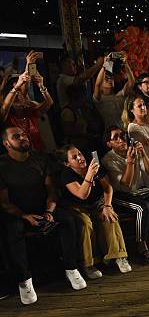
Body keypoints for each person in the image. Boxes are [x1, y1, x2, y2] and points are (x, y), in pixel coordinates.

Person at [0, 126, 86, 305]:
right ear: (6, 143)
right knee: (13, 230)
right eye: (17, 136)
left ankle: (71, 267)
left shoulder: (40, 158)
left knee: (70, 220)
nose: (23, 137)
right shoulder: (2, 165)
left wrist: (49, 211)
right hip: (18, 213)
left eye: (23, 134)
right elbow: (5, 202)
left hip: (43, 208)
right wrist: (25, 216)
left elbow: (51, 190)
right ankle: (24, 280)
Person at [58, 144, 131, 279]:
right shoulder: (67, 175)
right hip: (77, 206)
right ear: (67, 163)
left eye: (79, 153)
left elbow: (108, 188)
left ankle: (119, 256)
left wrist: (108, 206)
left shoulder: (95, 166)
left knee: (110, 217)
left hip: (97, 202)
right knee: (85, 224)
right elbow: (82, 194)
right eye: (74, 157)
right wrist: (89, 175)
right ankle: (88, 263)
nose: (80, 158)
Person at [102, 125, 149, 263]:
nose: (121, 140)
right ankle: (142, 245)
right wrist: (130, 162)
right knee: (143, 207)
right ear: (109, 144)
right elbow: (125, 184)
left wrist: (143, 154)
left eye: (122, 136)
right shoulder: (109, 160)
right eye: (115, 138)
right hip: (119, 195)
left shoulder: (132, 150)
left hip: (137, 192)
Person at [1, 70, 53, 152]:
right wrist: (16, 87)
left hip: (39, 155)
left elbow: (49, 103)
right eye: (14, 92)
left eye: (20, 92)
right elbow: (5, 107)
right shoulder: (6, 116)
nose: (17, 95)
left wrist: (41, 86)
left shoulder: (30, 111)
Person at [93, 52, 135, 131]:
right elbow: (97, 85)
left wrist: (125, 63)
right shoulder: (99, 100)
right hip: (111, 135)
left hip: (124, 131)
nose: (110, 80)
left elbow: (131, 82)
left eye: (111, 78)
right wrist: (104, 65)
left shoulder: (119, 96)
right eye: (106, 79)